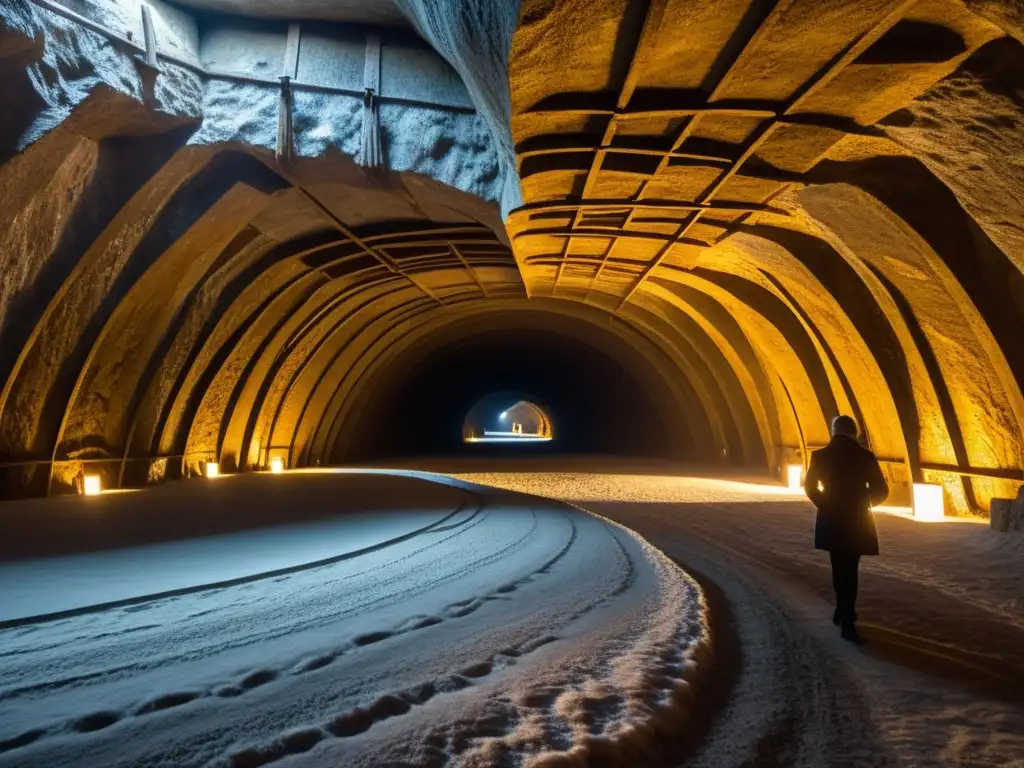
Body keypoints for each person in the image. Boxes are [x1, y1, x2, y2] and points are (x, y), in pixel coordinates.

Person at [803, 415, 888, 643]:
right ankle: (846, 616)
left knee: (838, 565)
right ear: (854, 432)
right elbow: (881, 489)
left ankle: (842, 611)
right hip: (858, 520)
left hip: (832, 519)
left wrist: (825, 503)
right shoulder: (865, 456)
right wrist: (865, 503)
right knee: (851, 567)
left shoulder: (820, 456)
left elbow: (810, 485)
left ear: (833, 431)